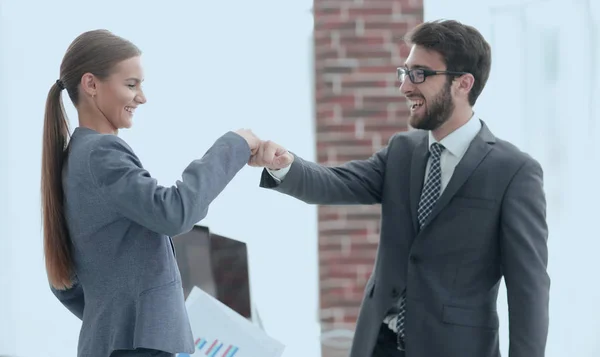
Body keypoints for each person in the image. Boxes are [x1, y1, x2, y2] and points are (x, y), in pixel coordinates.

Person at [251, 20, 550, 357]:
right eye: (404, 73)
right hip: (378, 345)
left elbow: (529, 291)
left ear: (463, 83)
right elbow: (337, 183)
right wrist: (282, 163)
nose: (405, 87)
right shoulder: (402, 152)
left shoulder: (514, 172)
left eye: (419, 74)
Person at [41, 29, 262, 357]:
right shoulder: (102, 153)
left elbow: (65, 282)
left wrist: (114, 315)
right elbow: (173, 212)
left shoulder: (75, 157)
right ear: (91, 85)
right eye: (131, 85)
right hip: (137, 345)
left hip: (119, 343)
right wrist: (236, 144)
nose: (141, 97)